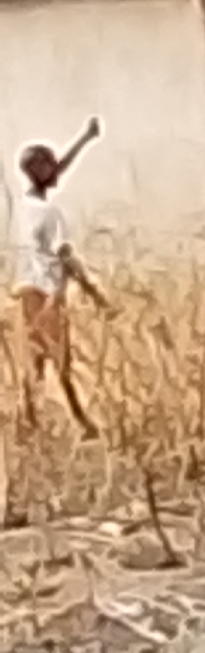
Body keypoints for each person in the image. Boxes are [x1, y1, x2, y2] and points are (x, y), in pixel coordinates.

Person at [14, 117, 111, 440]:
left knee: (35, 363)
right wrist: (95, 293)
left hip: (27, 293)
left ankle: (28, 427)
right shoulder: (50, 214)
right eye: (49, 164)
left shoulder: (23, 209)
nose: (57, 169)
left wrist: (84, 138)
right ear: (37, 169)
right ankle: (83, 424)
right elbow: (66, 257)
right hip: (48, 295)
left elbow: (56, 172)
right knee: (60, 363)